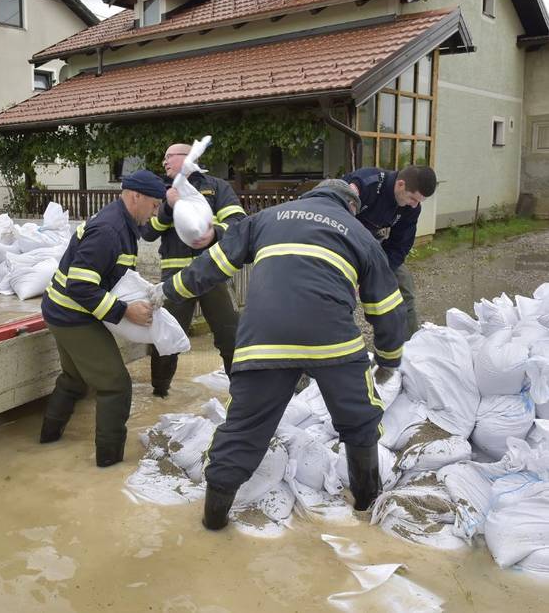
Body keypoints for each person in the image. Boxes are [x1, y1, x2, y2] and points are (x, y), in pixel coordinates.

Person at [156, 179, 406, 529]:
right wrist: (389, 359)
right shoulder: (360, 233)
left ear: (310, 196)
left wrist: (166, 291)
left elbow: (213, 265)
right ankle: (366, 504)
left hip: (264, 340)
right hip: (332, 342)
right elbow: (387, 306)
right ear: (351, 206)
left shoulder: (265, 218)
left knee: (243, 429)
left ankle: (213, 521)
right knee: (360, 420)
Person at [39, 170, 166, 468]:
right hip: (72, 314)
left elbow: (109, 274)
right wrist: (125, 311)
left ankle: (46, 441)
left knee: (74, 380)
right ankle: (109, 465)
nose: (155, 212)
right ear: (136, 196)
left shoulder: (121, 223)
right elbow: (80, 286)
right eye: (154, 204)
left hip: (61, 309)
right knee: (116, 385)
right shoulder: (110, 230)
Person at [140, 143, 246, 397]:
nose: (164, 162)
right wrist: (168, 207)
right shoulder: (160, 190)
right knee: (166, 339)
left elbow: (238, 224)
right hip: (174, 279)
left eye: (169, 156)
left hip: (213, 274)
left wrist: (214, 234)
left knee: (231, 335)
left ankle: (243, 393)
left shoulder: (216, 187)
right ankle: (160, 394)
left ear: (187, 157)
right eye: (164, 157)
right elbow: (147, 231)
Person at [343, 165, 437, 340]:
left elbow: (399, 246)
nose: (415, 205)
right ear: (401, 185)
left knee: (404, 285)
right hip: (341, 239)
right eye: (412, 198)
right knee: (341, 289)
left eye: (419, 202)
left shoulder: (412, 208)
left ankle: (411, 345)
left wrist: (378, 271)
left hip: (372, 242)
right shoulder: (367, 182)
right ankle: (337, 339)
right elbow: (332, 214)